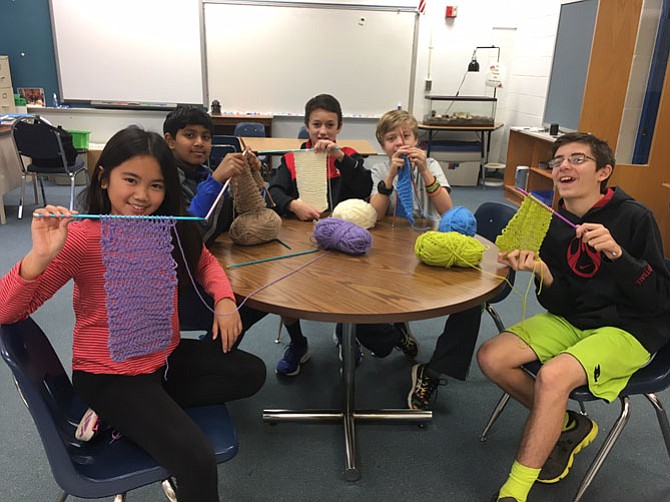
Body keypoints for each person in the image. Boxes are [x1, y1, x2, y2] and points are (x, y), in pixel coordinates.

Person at [0, 127, 266, 502]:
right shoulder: (80, 238)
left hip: (162, 359)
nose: (143, 196)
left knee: (251, 373)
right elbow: (6, 310)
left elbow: (205, 263)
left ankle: (119, 419)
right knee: (196, 460)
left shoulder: (168, 227)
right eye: (130, 180)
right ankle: (122, 413)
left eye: (156, 186)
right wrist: (39, 257)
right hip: (109, 376)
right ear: (104, 177)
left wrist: (224, 300)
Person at [477, 132, 670, 502]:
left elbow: (660, 300)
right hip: (577, 322)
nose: (563, 165)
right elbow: (562, 304)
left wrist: (618, 255)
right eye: (557, 161)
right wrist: (542, 273)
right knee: (492, 357)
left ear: (604, 172)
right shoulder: (553, 221)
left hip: (631, 329)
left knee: (553, 376)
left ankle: (513, 492)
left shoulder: (635, 217)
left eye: (577, 158)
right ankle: (567, 423)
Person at [268, 94, 418, 376]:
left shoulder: (348, 156)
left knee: (353, 284)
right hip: (303, 238)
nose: (322, 131)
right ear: (306, 126)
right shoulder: (292, 159)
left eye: (329, 125)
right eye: (316, 125)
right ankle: (298, 344)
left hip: (346, 237)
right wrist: (292, 204)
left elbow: (364, 187)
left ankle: (345, 333)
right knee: (286, 286)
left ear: (339, 128)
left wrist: (339, 158)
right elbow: (274, 191)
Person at [369, 109, 485, 410]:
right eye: (392, 138)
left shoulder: (431, 164)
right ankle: (395, 330)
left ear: (417, 140)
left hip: (431, 243)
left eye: (406, 136)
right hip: (391, 246)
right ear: (383, 145)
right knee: (371, 290)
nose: (400, 143)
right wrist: (392, 176)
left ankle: (433, 370)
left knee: (469, 298)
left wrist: (426, 173)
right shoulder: (380, 169)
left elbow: (447, 210)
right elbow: (375, 214)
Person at [163, 105, 267, 343]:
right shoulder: (162, 181)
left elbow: (240, 216)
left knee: (262, 291)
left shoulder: (201, 172)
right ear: (170, 140)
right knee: (254, 301)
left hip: (205, 267)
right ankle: (214, 353)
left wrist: (253, 177)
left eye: (206, 137)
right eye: (190, 135)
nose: (199, 142)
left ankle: (216, 348)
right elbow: (188, 235)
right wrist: (217, 180)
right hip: (176, 286)